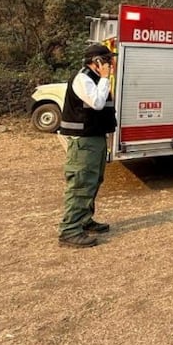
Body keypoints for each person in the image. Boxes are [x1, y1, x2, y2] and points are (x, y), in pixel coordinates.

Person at [57, 43, 118, 248]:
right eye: (108, 60)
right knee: (81, 183)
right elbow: (97, 103)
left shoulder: (96, 79)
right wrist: (104, 78)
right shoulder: (83, 79)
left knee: (93, 180)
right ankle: (70, 230)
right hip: (83, 141)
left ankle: (84, 220)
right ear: (97, 62)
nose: (111, 63)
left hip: (94, 138)